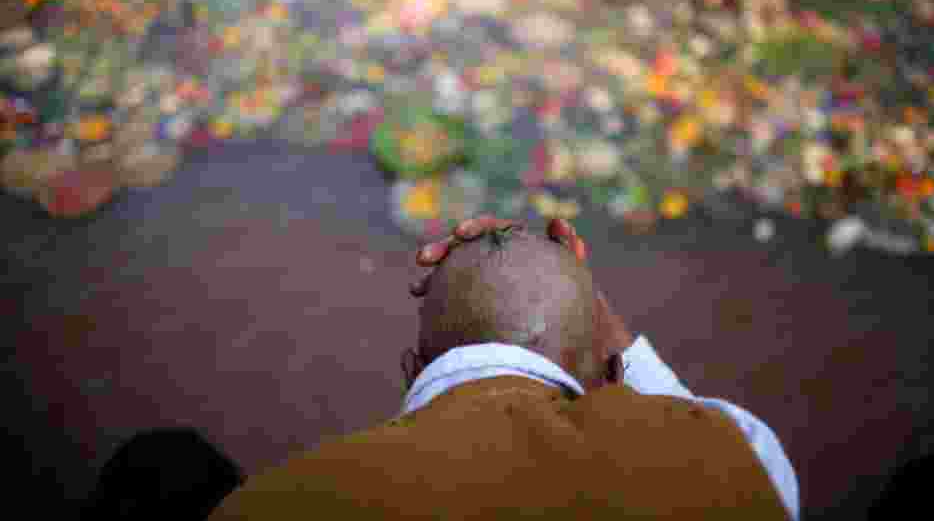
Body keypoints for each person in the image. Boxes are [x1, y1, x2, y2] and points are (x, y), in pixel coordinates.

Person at [208, 215, 800, 520]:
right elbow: (676, 410)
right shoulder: (738, 459)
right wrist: (583, 300)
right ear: (611, 375)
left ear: (413, 369)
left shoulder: (271, 502)